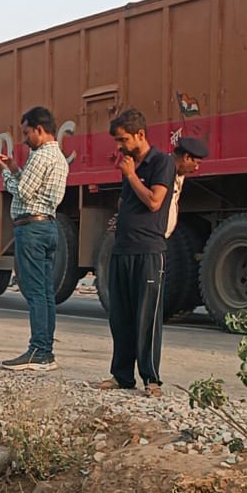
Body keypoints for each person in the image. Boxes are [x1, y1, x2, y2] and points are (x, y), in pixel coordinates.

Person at [99, 108, 176, 397]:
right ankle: (121, 375)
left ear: (140, 135)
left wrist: (131, 176)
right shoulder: (129, 163)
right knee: (120, 316)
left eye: (122, 140)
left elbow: (155, 201)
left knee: (146, 317)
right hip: (123, 249)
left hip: (148, 250)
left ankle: (151, 378)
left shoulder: (162, 162)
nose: (119, 147)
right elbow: (130, 200)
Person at [0, 106, 69, 371]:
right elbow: (33, 188)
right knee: (46, 292)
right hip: (48, 225)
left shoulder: (40, 156)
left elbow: (23, 192)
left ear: (39, 129)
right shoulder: (59, 157)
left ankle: (38, 350)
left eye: (27, 133)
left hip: (31, 228)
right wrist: (15, 168)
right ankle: (45, 349)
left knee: (34, 291)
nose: (25, 139)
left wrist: (5, 173)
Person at [167, 136, 208, 238]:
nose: (197, 168)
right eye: (197, 163)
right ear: (186, 158)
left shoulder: (179, 173)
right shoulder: (164, 171)